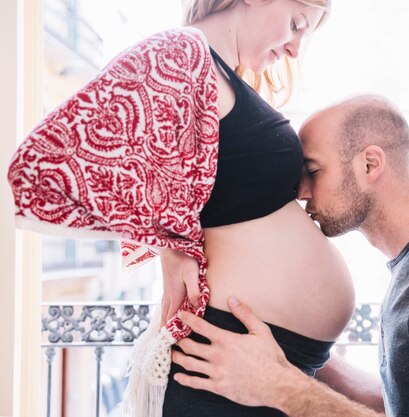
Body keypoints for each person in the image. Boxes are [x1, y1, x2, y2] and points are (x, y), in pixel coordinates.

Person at [8, 1, 356, 416]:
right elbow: (39, 167)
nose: (296, 48)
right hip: (223, 364)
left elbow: (177, 179)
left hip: (265, 358)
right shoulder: (180, 50)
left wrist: (171, 242)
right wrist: (165, 242)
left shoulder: (221, 77)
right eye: (296, 24)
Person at [170, 95, 409, 417]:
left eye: (313, 170)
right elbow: (403, 402)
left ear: (369, 164)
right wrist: (288, 353)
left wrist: (277, 385)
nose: (301, 192)